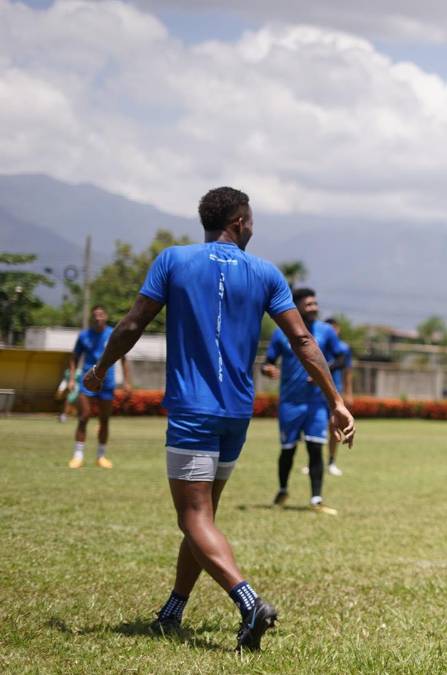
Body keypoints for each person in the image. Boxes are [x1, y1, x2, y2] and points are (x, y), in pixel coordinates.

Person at [82, 186, 354, 651]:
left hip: (192, 411)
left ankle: (249, 603)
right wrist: (336, 400)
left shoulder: (173, 261)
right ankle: (173, 609)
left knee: (193, 519)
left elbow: (132, 323)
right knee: (203, 517)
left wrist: (100, 368)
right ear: (240, 222)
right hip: (237, 413)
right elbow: (304, 341)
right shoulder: (266, 273)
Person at [262, 288, 340, 515]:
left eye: (315, 304)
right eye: (309, 304)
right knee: (287, 450)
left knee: (316, 449)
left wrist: (323, 372)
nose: (314, 308)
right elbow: (268, 362)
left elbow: (342, 358)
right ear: (297, 307)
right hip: (290, 403)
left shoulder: (326, 332)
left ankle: (316, 499)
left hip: (316, 403)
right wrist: (268, 370)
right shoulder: (281, 334)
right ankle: (283, 489)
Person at [67, 305, 131, 469]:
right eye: (95, 315)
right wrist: (72, 379)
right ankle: (78, 456)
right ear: (91, 318)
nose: (98, 318)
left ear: (106, 316)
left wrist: (126, 381)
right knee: (84, 416)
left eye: (101, 315)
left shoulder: (112, 334)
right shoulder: (83, 336)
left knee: (104, 419)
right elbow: (74, 358)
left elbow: (123, 358)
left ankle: (101, 456)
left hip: (107, 382)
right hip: (87, 381)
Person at [325, 317, 353, 477]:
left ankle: (331, 462)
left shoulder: (343, 348)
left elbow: (347, 372)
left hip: (336, 392)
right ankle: (312, 462)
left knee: (333, 427)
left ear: (338, 329)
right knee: (314, 429)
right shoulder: (318, 343)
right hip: (316, 392)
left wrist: (348, 393)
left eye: (333, 329)